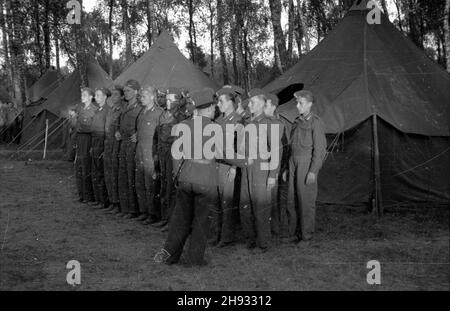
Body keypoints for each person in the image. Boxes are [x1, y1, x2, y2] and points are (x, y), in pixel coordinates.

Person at [154, 87, 219, 266]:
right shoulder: (214, 127)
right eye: (213, 107)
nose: (215, 110)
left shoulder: (183, 125)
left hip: (185, 177)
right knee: (201, 220)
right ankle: (194, 259)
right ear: (206, 108)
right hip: (205, 179)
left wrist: (177, 175)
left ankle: (169, 257)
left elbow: (176, 154)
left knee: (180, 220)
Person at [237, 89, 282, 252]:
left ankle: (263, 243)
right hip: (247, 168)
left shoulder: (270, 124)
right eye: (249, 102)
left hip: (261, 170)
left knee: (260, 207)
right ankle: (250, 239)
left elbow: (277, 151)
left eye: (253, 102)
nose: (249, 105)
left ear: (263, 103)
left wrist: (272, 176)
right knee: (246, 205)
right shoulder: (249, 123)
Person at [287, 90, 327, 242]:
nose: (297, 106)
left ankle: (306, 236)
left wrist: (313, 171)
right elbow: (291, 146)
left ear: (310, 104)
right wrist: (286, 168)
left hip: (306, 163)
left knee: (306, 201)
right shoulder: (297, 121)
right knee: (292, 200)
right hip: (293, 163)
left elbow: (320, 150)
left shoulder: (315, 122)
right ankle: (294, 234)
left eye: (301, 103)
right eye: (297, 103)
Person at [210, 85, 244, 247]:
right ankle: (216, 233)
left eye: (221, 101)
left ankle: (227, 236)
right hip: (216, 164)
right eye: (218, 101)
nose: (218, 104)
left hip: (228, 166)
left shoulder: (238, 120)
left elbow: (240, 146)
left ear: (231, 102)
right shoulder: (218, 120)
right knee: (216, 201)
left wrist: (234, 167)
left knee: (227, 201)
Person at [152, 87, 190, 229]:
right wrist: (155, 152)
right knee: (163, 185)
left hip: (174, 155)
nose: (167, 102)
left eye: (170, 99)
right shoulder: (162, 116)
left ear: (178, 101)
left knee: (171, 188)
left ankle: (173, 221)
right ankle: (165, 217)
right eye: (166, 99)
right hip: (162, 153)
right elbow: (156, 137)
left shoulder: (181, 118)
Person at [134, 85, 164, 224]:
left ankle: (153, 213)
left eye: (144, 96)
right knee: (140, 182)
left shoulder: (158, 113)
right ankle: (144, 210)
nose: (141, 98)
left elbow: (160, 135)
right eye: (140, 96)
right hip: (140, 151)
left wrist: (157, 155)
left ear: (153, 96)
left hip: (151, 152)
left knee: (151, 184)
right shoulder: (142, 112)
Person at [117, 80, 143, 219]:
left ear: (136, 91)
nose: (126, 93)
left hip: (133, 145)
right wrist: (118, 131)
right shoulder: (125, 106)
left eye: (129, 91)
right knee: (123, 175)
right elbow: (121, 122)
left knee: (132, 175)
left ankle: (133, 209)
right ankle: (125, 207)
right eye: (125, 91)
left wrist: (138, 134)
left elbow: (144, 123)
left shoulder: (140, 107)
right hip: (124, 143)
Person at [264, 93, 287, 242]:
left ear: (273, 107)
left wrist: (279, 170)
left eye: (266, 105)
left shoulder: (277, 124)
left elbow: (282, 148)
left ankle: (274, 229)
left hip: (272, 167)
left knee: (271, 200)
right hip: (262, 166)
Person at [104, 85, 125, 215]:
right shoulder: (112, 109)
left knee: (117, 174)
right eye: (112, 94)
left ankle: (118, 203)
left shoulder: (123, 110)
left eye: (116, 94)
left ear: (122, 96)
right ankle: (112, 201)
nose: (113, 97)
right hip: (109, 143)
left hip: (117, 145)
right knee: (110, 173)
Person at [74, 88, 97, 204]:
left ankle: (89, 196)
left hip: (88, 139)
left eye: (84, 94)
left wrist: (82, 127)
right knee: (79, 167)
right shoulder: (80, 108)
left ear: (90, 97)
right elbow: (75, 124)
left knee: (87, 166)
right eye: (81, 94)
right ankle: (81, 194)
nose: (82, 96)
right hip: (79, 139)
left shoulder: (94, 110)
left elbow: (94, 128)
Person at [90, 88, 111, 209]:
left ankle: (104, 201)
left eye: (98, 95)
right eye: (96, 95)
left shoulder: (107, 111)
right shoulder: (98, 110)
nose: (96, 97)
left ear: (105, 97)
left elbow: (107, 131)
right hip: (95, 142)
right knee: (96, 171)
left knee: (101, 172)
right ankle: (98, 199)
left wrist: (104, 148)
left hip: (102, 142)